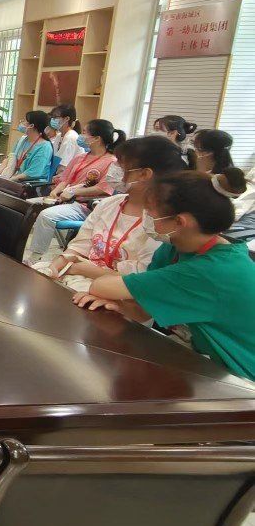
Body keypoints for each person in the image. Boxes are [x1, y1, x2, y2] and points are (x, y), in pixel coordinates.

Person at [74, 168, 255, 381]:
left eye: (151, 214)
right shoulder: (174, 248)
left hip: (238, 377)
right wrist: (119, 305)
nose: (146, 219)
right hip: (203, 357)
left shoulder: (211, 271)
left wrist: (114, 294)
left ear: (180, 222)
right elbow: (144, 312)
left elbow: (101, 286)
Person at [33, 135, 188, 291]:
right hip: (78, 275)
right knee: (37, 275)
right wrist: (57, 265)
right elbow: (80, 245)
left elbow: (140, 278)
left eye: (121, 166)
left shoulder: (161, 222)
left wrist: (79, 268)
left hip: (116, 290)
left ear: (144, 174)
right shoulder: (109, 204)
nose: (114, 170)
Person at [24, 118, 126, 263]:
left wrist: (74, 192)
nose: (81, 136)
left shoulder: (111, 162)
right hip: (63, 199)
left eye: (84, 132)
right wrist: (56, 191)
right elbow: (65, 179)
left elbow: (103, 189)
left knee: (46, 216)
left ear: (97, 138)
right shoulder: (80, 157)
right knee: (25, 206)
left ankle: (35, 257)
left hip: (84, 205)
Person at [7, 110, 53, 182]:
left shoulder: (45, 147)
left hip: (31, 184)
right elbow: (10, 158)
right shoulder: (22, 140)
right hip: (15, 179)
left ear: (31, 126)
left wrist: (10, 180)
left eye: (25, 121)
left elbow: (33, 173)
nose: (21, 123)